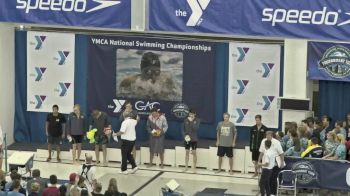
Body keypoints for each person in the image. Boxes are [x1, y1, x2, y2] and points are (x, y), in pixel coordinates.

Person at [258, 131, 285, 196]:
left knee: (271, 179)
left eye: (268, 135)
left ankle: (272, 193)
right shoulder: (264, 141)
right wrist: (259, 161)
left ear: (272, 136)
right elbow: (261, 152)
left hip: (273, 162)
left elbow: (281, 153)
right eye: (266, 135)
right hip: (268, 162)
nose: (267, 136)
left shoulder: (276, 143)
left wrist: (281, 162)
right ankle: (268, 193)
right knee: (267, 181)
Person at [182, 109, 200, 173]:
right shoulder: (185, 120)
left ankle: (194, 168)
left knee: (194, 153)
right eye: (190, 114)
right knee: (187, 152)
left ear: (195, 114)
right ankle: (186, 167)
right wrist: (185, 136)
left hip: (194, 139)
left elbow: (196, 129)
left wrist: (191, 121)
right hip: (187, 139)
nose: (191, 115)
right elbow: (182, 129)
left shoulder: (197, 120)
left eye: (192, 114)